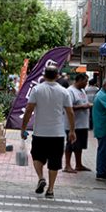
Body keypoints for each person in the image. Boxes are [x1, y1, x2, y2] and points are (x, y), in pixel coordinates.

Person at [20, 65, 75, 199]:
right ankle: (50, 189)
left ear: (44, 76)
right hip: (57, 133)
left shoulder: (37, 90)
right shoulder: (64, 91)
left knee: (37, 157)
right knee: (55, 161)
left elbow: (29, 109)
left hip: (40, 132)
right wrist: (72, 130)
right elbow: (70, 112)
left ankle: (40, 177)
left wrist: (23, 128)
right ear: (57, 76)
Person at [63, 73, 92, 173]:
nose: (86, 84)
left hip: (82, 124)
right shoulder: (70, 91)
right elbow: (68, 107)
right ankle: (67, 165)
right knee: (71, 144)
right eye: (85, 81)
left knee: (79, 145)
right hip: (73, 124)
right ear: (79, 80)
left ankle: (78, 164)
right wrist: (83, 107)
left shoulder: (83, 90)